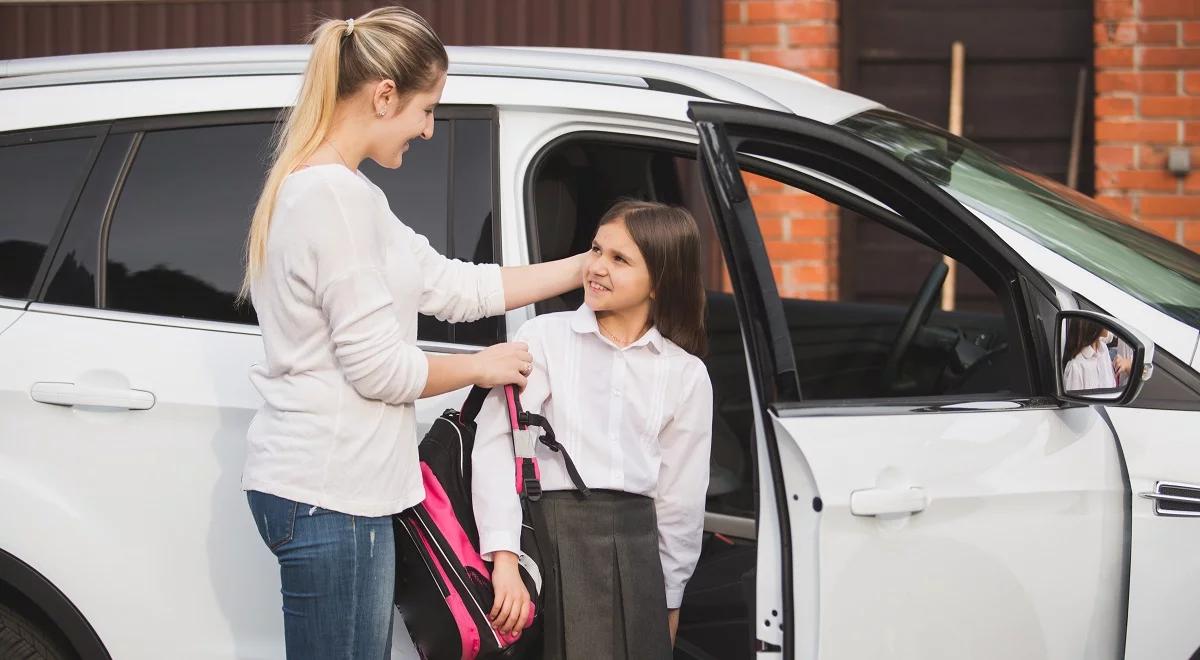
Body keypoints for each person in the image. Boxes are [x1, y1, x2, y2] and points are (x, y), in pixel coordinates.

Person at [237, 8, 587, 658]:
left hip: (340, 493)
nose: (428, 130)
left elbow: (454, 287)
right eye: (426, 110)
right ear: (384, 95)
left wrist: (582, 266)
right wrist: (482, 366)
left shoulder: (351, 196)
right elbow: (381, 371)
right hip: (330, 496)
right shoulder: (331, 200)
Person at [472, 200, 714, 659]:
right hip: (549, 540)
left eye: (619, 259)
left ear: (660, 282)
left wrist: (671, 596)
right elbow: (496, 446)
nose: (597, 267)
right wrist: (504, 557)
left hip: (637, 554)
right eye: (596, 249)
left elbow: (680, 499)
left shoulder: (685, 375)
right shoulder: (544, 339)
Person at [1062, 319, 1127, 392]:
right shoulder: (1076, 366)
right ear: (1093, 325)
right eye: (1103, 317)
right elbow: (1073, 402)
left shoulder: (1104, 350)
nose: (1108, 320)